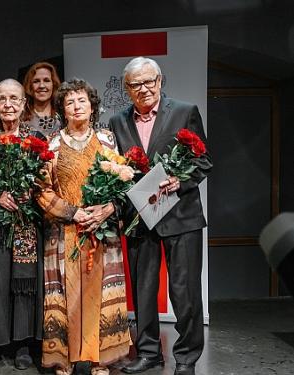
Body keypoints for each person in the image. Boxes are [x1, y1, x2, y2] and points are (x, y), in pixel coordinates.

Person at [109, 57, 212, 375]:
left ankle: (186, 357)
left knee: (184, 291)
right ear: (127, 89)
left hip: (181, 216)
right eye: (136, 84)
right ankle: (149, 352)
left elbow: (204, 160)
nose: (144, 89)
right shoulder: (117, 122)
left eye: (149, 81)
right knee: (143, 290)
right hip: (141, 217)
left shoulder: (184, 111)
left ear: (160, 81)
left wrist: (182, 180)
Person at [36, 78, 131, 375]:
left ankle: (98, 359)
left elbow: (122, 184)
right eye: (70, 102)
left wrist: (105, 211)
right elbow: (41, 190)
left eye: (82, 101)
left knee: (100, 293)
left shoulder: (106, 140)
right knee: (66, 293)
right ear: (63, 109)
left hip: (101, 232)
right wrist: (73, 213)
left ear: (92, 107)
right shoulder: (51, 143)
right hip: (63, 232)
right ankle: (64, 358)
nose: (77, 107)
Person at [0, 79, 44, 370]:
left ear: (24, 103)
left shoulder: (36, 138)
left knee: (23, 282)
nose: (8, 105)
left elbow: (48, 180)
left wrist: (33, 189)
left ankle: (23, 344)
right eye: (2, 99)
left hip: (27, 221)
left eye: (14, 98)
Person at [22, 62, 62, 140]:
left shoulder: (64, 115)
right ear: (29, 86)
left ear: (53, 84)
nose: (41, 86)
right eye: (36, 81)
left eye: (46, 80)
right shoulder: (20, 117)